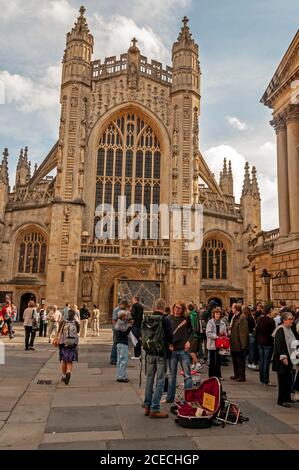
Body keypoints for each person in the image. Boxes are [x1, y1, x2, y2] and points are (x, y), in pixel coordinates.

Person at [143, 298, 173, 418]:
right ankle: (155, 409)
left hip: (149, 353)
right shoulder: (165, 319)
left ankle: (147, 406)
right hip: (161, 354)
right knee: (160, 381)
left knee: (149, 379)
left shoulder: (148, 318)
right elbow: (170, 337)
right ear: (164, 307)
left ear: (155, 307)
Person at [163, 300, 193, 404]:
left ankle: (188, 399)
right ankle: (170, 398)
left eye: (180, 308)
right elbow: (164, 334)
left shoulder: (186, 319)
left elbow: (192, 331)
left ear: (183, 310)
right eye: (176, 307)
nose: (177, 309)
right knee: (172, 375)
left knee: (187, 375)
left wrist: (189, 341)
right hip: (173, 351)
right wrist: (168, 344)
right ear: (173, 308)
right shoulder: (168, 319)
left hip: (183, 350)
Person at [272, 312, 296, 407]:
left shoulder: (289, 329)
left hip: (290, 358)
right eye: (290, 319)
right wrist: (283, 357)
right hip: (282, 360)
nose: (292, 321)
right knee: (282, 380)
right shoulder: (280, 330)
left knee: (288, 379)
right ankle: (281, 400)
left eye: (292, 319)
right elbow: (279, 345)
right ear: (284, 320)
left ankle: (287, 397)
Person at [57, 309, 80, 385]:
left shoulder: (63, 322)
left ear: (67, 314)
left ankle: (63, 376)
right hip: (73, 344)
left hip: (64, 343)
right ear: (74, 315)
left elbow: (59, 331)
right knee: (70, 360)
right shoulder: (76, 323)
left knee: (64, 360)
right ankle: (68, 372)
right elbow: (78, 331)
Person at [255, 304, 276, 386]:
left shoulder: (260, 319)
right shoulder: (271, 321)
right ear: (270, 310)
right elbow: (273, 334)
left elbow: (257, 331)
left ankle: (261, 379)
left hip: (260, 342)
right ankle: (266, 380)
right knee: (266, 362)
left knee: (262, 361)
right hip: (268, 343)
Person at [206, 307, 227, 379]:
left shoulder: (222, 323)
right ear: (214, 314)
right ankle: (211, 376)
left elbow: (225, 333)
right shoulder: (210, 322)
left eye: (219, 314)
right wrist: (216, 336)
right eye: (216, 314)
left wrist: (223, 335)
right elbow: (208, 333)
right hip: (212, 343)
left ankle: (218, 375)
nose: (217, 315)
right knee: (212, 361)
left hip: (220, 344)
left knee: (218, 360)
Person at [230, 303, 249, 382]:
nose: (232, 309)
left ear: (236, 309)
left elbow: (243, 332)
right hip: (234, 342)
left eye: (232, 308)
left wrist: (243, 345)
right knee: (235, 359)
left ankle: (241, 375)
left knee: (240, 360)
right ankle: (236, 374)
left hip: (239, 343)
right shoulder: (235, 317)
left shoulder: (242, 318)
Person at [114, 310, 132, 383]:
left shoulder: (119, 322)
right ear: (122, 316)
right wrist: (130, 326)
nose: (126, 317)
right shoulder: (121, 323)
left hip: (119, 343)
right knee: (124, 360)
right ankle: (121, 376)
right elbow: (125, 332)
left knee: (119, 360)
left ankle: (120, 375)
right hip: (122, 343)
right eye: (125, 315)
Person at [110, 300, 128, 365]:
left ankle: (117, 358)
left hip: (120, 329)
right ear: (122, 304)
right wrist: (116, 329)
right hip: (117, 329)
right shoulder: (116, 310)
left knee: (118, 344)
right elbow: (114, 320)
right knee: (115, 343)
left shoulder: (123, 310)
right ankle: (113, 359)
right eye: (125, 306)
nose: (125, 308)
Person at [188, 303, 205, 370]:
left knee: (191, 351)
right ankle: (194, 364)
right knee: (194, 351)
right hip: (198, 335)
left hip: (193, 335)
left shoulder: (191, 315)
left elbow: (192, 326)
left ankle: (198, 364)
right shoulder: (196, 314)